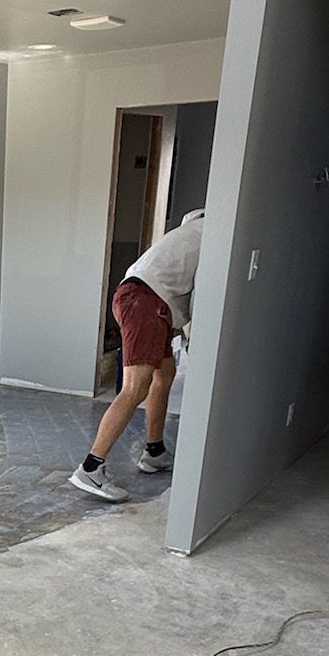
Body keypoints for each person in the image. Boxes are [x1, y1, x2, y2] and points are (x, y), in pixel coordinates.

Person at [71, 207, 204, 502]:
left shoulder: (189, 231)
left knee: (164, 374)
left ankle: (154, 451)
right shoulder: (212, 238)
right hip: (148, 303)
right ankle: (91, 468)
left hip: (141, 298)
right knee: (135, 387)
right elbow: (202, 295)